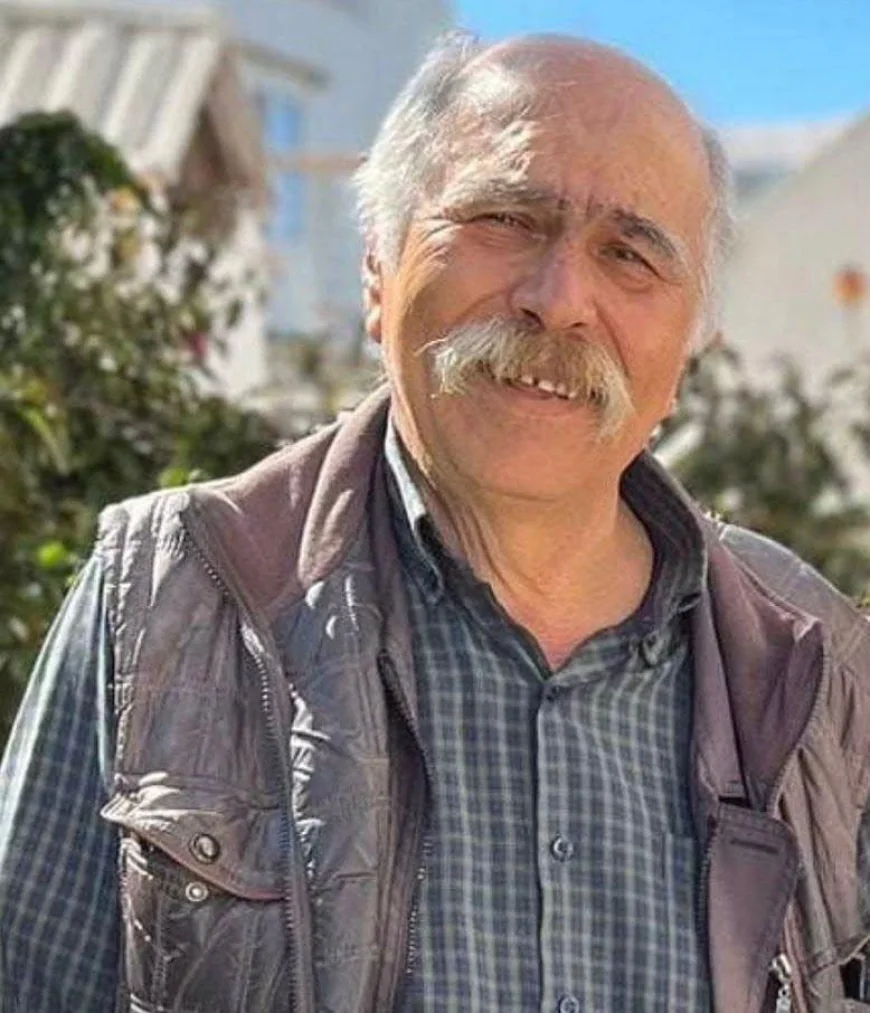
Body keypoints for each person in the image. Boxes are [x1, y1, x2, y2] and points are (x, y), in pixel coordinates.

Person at [1, 31, 869, 1013]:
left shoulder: (819, 663)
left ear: (688, 346)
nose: (559, 301)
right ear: (379, 267)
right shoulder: (165, 598)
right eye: (506, 218)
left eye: (629, 254)